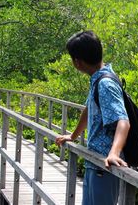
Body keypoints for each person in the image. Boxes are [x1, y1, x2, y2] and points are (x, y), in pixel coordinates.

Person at [55, 30, 130, 205]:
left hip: (104, 166)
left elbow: (123, 121)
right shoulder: (99, 78)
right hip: (94, 162)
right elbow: (88, 109)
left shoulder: (105, 83)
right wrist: (73, 136)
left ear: (77, 62)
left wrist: (114, 153)